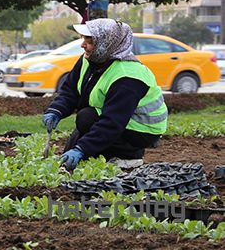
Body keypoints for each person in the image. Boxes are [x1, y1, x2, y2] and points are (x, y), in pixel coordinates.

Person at [42, 18, 167, 171]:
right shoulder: (90, 60)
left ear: (107, 44)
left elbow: (112, 123)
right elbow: (71, 91)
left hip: (141, 130)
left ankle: (129, 156)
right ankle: (93, 155)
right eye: (84, 39)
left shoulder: (127, 76)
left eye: (90, 41)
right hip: (118, 120)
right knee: (83, 125)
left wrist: (82, 150)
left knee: (86, 119)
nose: (83, 45)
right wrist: (56, 110)